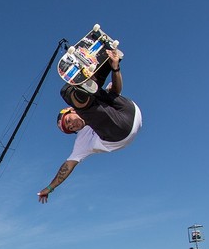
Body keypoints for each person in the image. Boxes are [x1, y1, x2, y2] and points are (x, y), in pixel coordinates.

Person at [38, 50, 142, 202]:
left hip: (129, 110)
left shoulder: (87, 107)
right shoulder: (81, 142)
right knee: (68, 92)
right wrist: (50, 187)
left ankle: (109, 61)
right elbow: (68, 166)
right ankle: (87, 84)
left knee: (104, 94)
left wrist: (115, 68)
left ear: (71, 111)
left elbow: (117, 92)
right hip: (120, 132)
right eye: (72, 129)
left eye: (69, 121)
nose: (73, 125)